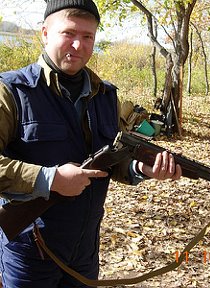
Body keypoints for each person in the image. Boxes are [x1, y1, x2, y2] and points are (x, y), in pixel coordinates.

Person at [0, 0, 182, 287]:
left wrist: (141, 169)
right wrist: (50, 178)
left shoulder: (106, 96)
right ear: (46, 33)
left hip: (85, 249)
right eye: (68, 33)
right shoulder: (10, 90)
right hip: (29, 249)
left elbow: (110, 160)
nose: (78, 45)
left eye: (88, 37)